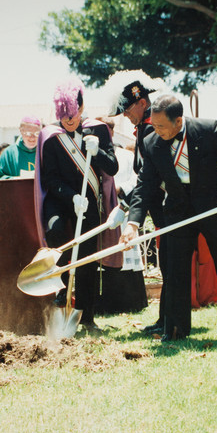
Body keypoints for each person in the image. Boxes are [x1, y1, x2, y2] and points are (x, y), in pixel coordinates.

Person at [120, 94, 217, 342]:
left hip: (215, 207)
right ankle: (176, 330)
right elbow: (145, 185)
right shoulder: (151, 143)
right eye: (154, 125)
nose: (156, 130)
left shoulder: (208, 129)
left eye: (161, 126)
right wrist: (132, 223)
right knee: (176, 273)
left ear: (179, 121)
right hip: (178, 210)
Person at [34, 78, 121, 330]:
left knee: (86, 257)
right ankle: (61, 288)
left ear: (81, 109)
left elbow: (112, 167)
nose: (68, 121)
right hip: (61, 199)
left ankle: (87, 316)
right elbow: (49, 177)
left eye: (72, 115)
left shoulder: (99, 130)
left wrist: (99, 152)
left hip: (90, 200)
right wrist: (71, 196)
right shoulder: (50, 136)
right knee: (57, 231)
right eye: (63, 117)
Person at [105, 69, 167, 334]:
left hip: (168, 205)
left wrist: (125, 205)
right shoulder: (144, 128)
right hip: (157, 204)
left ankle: (171, 321)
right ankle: (166, 319)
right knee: (167, 263)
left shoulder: (154, 128)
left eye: (128, 109)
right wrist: (126, 203)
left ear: (142, 103)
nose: (126, 115)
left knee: (171, 263)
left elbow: (150, 177)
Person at [93, 116, 147, 314]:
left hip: (122, 208)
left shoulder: (125, 155)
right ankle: (102, 305)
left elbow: (138, 177)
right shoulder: (92, 154)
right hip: (100, 211)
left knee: (125, 251)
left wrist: (120, 188)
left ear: (113, 133)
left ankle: (130, 302)